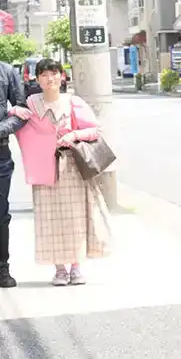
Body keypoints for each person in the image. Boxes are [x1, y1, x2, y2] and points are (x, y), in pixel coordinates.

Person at [10, 58, 111, 286]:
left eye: (54, 73)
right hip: (43, 168)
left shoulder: (73, 102)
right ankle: (59, 270)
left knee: (75, 218)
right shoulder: (31, 103)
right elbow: (18, 121)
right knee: (49, 219)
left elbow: (95, 130)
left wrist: (74, 135)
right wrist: (15, 110)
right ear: (37, 79)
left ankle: (75, 267)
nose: (50, 79)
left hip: (72, 167)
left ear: (62, 76)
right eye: (44, 75)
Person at [0, 61, 29, 288]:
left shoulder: (6, 71)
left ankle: (2, 268)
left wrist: (1, 129)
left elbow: (22, 112)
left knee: (1, 214)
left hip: (0, 154)